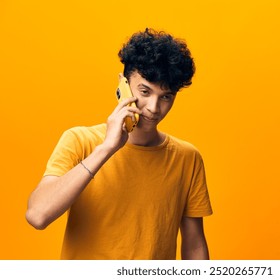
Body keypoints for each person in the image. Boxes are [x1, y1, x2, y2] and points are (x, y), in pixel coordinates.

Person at [25, 28, 213, 260]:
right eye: (144, 91)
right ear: (122, 85)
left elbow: (194, 245)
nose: (153, 108)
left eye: (166, 97)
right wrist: (106, 149)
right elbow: (37, 215)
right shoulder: (79, 141)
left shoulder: (187, 158)